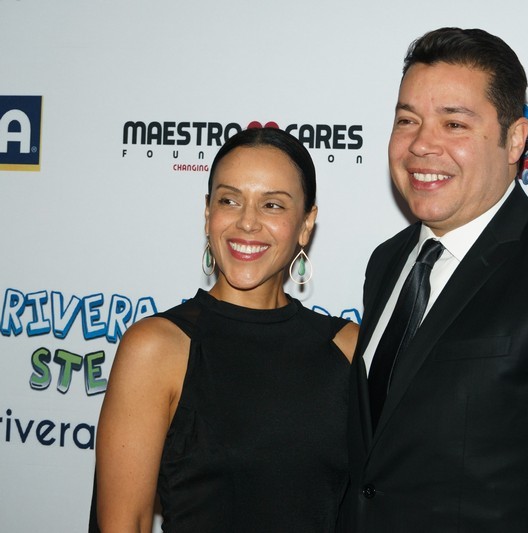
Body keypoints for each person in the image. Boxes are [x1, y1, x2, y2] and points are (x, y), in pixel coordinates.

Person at [340, 28, 528, 532]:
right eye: (407, 120)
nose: (421, 144)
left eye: (454, 123)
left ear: (516, 140)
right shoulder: (387, 262)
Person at [94, 126, 358, 532]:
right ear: (207, 214)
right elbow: (125, 523)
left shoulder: (347, 348)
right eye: (229, 200)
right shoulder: (157, 348)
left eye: (272, 205)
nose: (247, 222)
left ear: (306, 224)